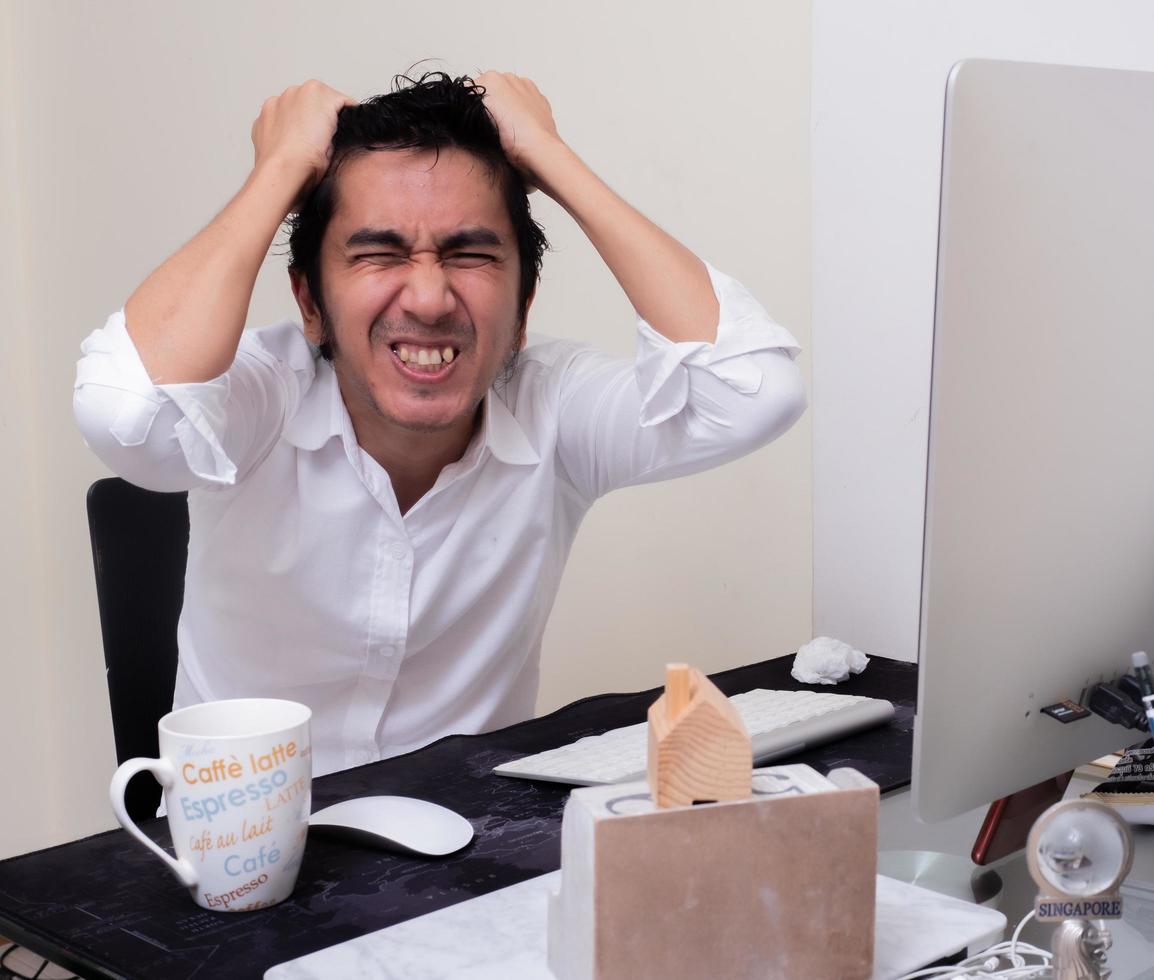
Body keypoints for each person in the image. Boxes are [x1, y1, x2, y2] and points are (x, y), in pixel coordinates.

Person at [73, 70, 805, 776]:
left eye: (470, 253)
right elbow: (128, 417)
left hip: (468, 859)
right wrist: (281, 166)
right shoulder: (258, 395)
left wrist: (551, 158)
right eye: (379, 254)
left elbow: (754, 392)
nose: (428, 297)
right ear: (310, 304)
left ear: (523, 306)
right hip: (245, 863)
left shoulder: (552, 404)